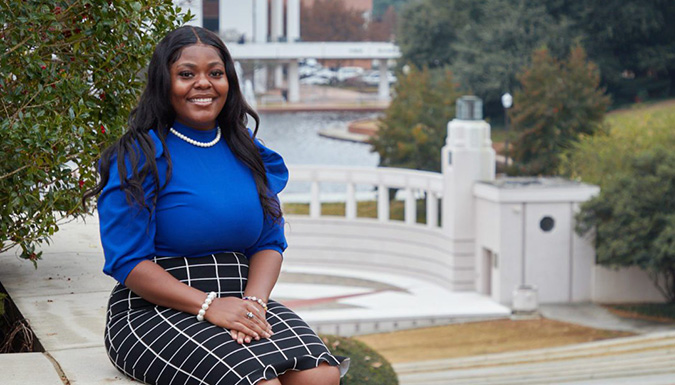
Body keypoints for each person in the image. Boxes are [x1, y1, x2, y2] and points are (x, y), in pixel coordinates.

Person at [84, 26, 348, 385]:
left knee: (322, 375)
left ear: (229, 81)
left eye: (215, 73)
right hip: (157, 307)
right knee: (259, 383)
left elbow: (268, 243)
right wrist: (210, 306)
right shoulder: (139, 157)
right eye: (186, 74)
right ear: (164, 83)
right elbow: (127, 261)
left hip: (242, 298)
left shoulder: (249, 153)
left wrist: (254, 302)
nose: (204, 83)